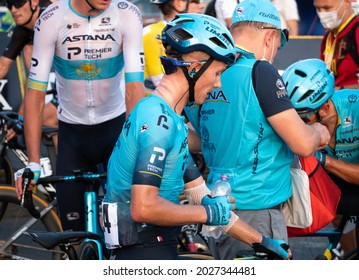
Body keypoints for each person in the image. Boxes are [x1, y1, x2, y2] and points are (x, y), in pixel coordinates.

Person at [102, 13, 291, 260]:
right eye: (217, 73)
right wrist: (205, 213)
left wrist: (263, 241)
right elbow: (143, 207)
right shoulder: (159, 122)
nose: (219, 84)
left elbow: (203, 197)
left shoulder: (169, 120)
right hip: (143, 253)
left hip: (153, 247)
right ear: (194, 69)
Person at [185, 0, 330, 260]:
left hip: (217, 209)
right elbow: (302, 144)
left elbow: (201, 136)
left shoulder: (208, 71)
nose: (275, 52)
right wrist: (319, 131)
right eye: (277, 45)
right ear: (270, 35)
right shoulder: (260, 70)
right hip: (257, 211)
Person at [14, 0, 146, 232]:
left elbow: (135, 87)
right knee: (72, 234)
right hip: (72, 138)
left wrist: (135, 146)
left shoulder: (127, 13)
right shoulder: (51, 19)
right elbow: (35, 94)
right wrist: (33, 161)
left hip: (115, 132)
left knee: (126, 231)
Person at [282, 58, 359, 259]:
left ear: (324, 109)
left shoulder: (356, 108)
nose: (298, 124)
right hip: (338, 183)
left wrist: (324, 160)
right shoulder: (309, 116)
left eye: (304, 117)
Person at [0, 0, 58, 141]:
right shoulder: (24, 29)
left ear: (34, 3)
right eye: (9, 5)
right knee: (43, 121)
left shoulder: (51, 15)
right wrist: (21, 116)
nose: (13, 10)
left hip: (93, 78)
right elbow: (3, 67)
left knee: (47, 119)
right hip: (69, 87)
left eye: (18, 3)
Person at [143, 0, 204, 91]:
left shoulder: (185, 34)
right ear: (178, 3)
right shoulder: (153, 34)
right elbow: (162, 83)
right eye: (195, 1)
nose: (202, 6)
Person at [314, 0, 359, 89]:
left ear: (346, 3)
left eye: (327, 8)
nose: (322, 13)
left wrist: (341, 91)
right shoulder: (327, 37)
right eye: (318, 8)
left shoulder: (356, 32)